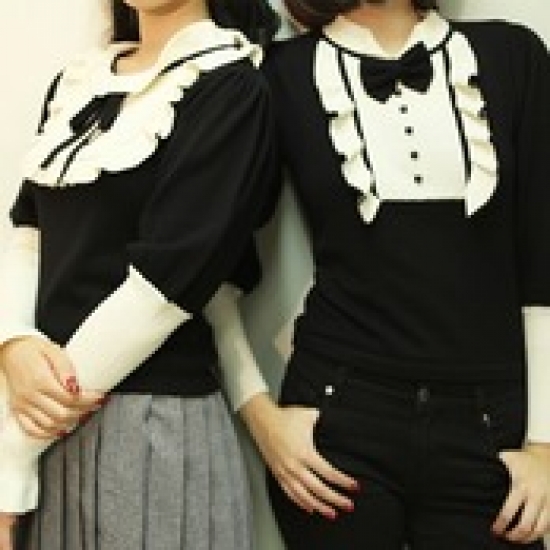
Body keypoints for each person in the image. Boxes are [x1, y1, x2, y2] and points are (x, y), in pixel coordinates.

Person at [213, 0, 550, 548]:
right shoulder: (281, 73)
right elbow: (212, 261)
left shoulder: (512, 55)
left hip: (492, 430)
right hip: (336, 423)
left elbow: (543, 262)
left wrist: (544, 445)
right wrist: (260, 416)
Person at [0, 0, 279, 548]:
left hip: (149, 425)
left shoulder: (230, 86)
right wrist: (13, 343)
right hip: (43, 424)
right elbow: (29, 232)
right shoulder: (79, 82)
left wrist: (13, 453)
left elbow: (163, 290)